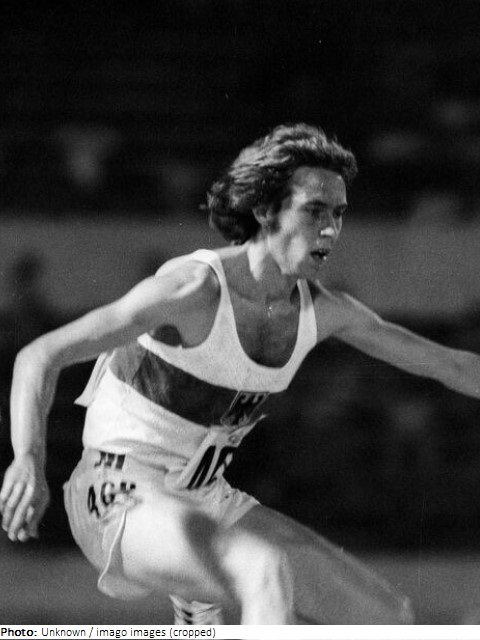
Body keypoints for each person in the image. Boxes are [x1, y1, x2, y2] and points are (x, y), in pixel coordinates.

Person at [2, 123, 480, 626]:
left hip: (206, 499)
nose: (330, 229)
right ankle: (200, 590)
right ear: (265, 210)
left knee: (386, 618)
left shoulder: (324, 311)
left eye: (339, 214)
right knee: (262, 570)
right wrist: (28, 459)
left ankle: (198, 598)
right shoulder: (192, 290)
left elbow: (451, 365)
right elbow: (40, 355)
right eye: (315, 211)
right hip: (118, 491)